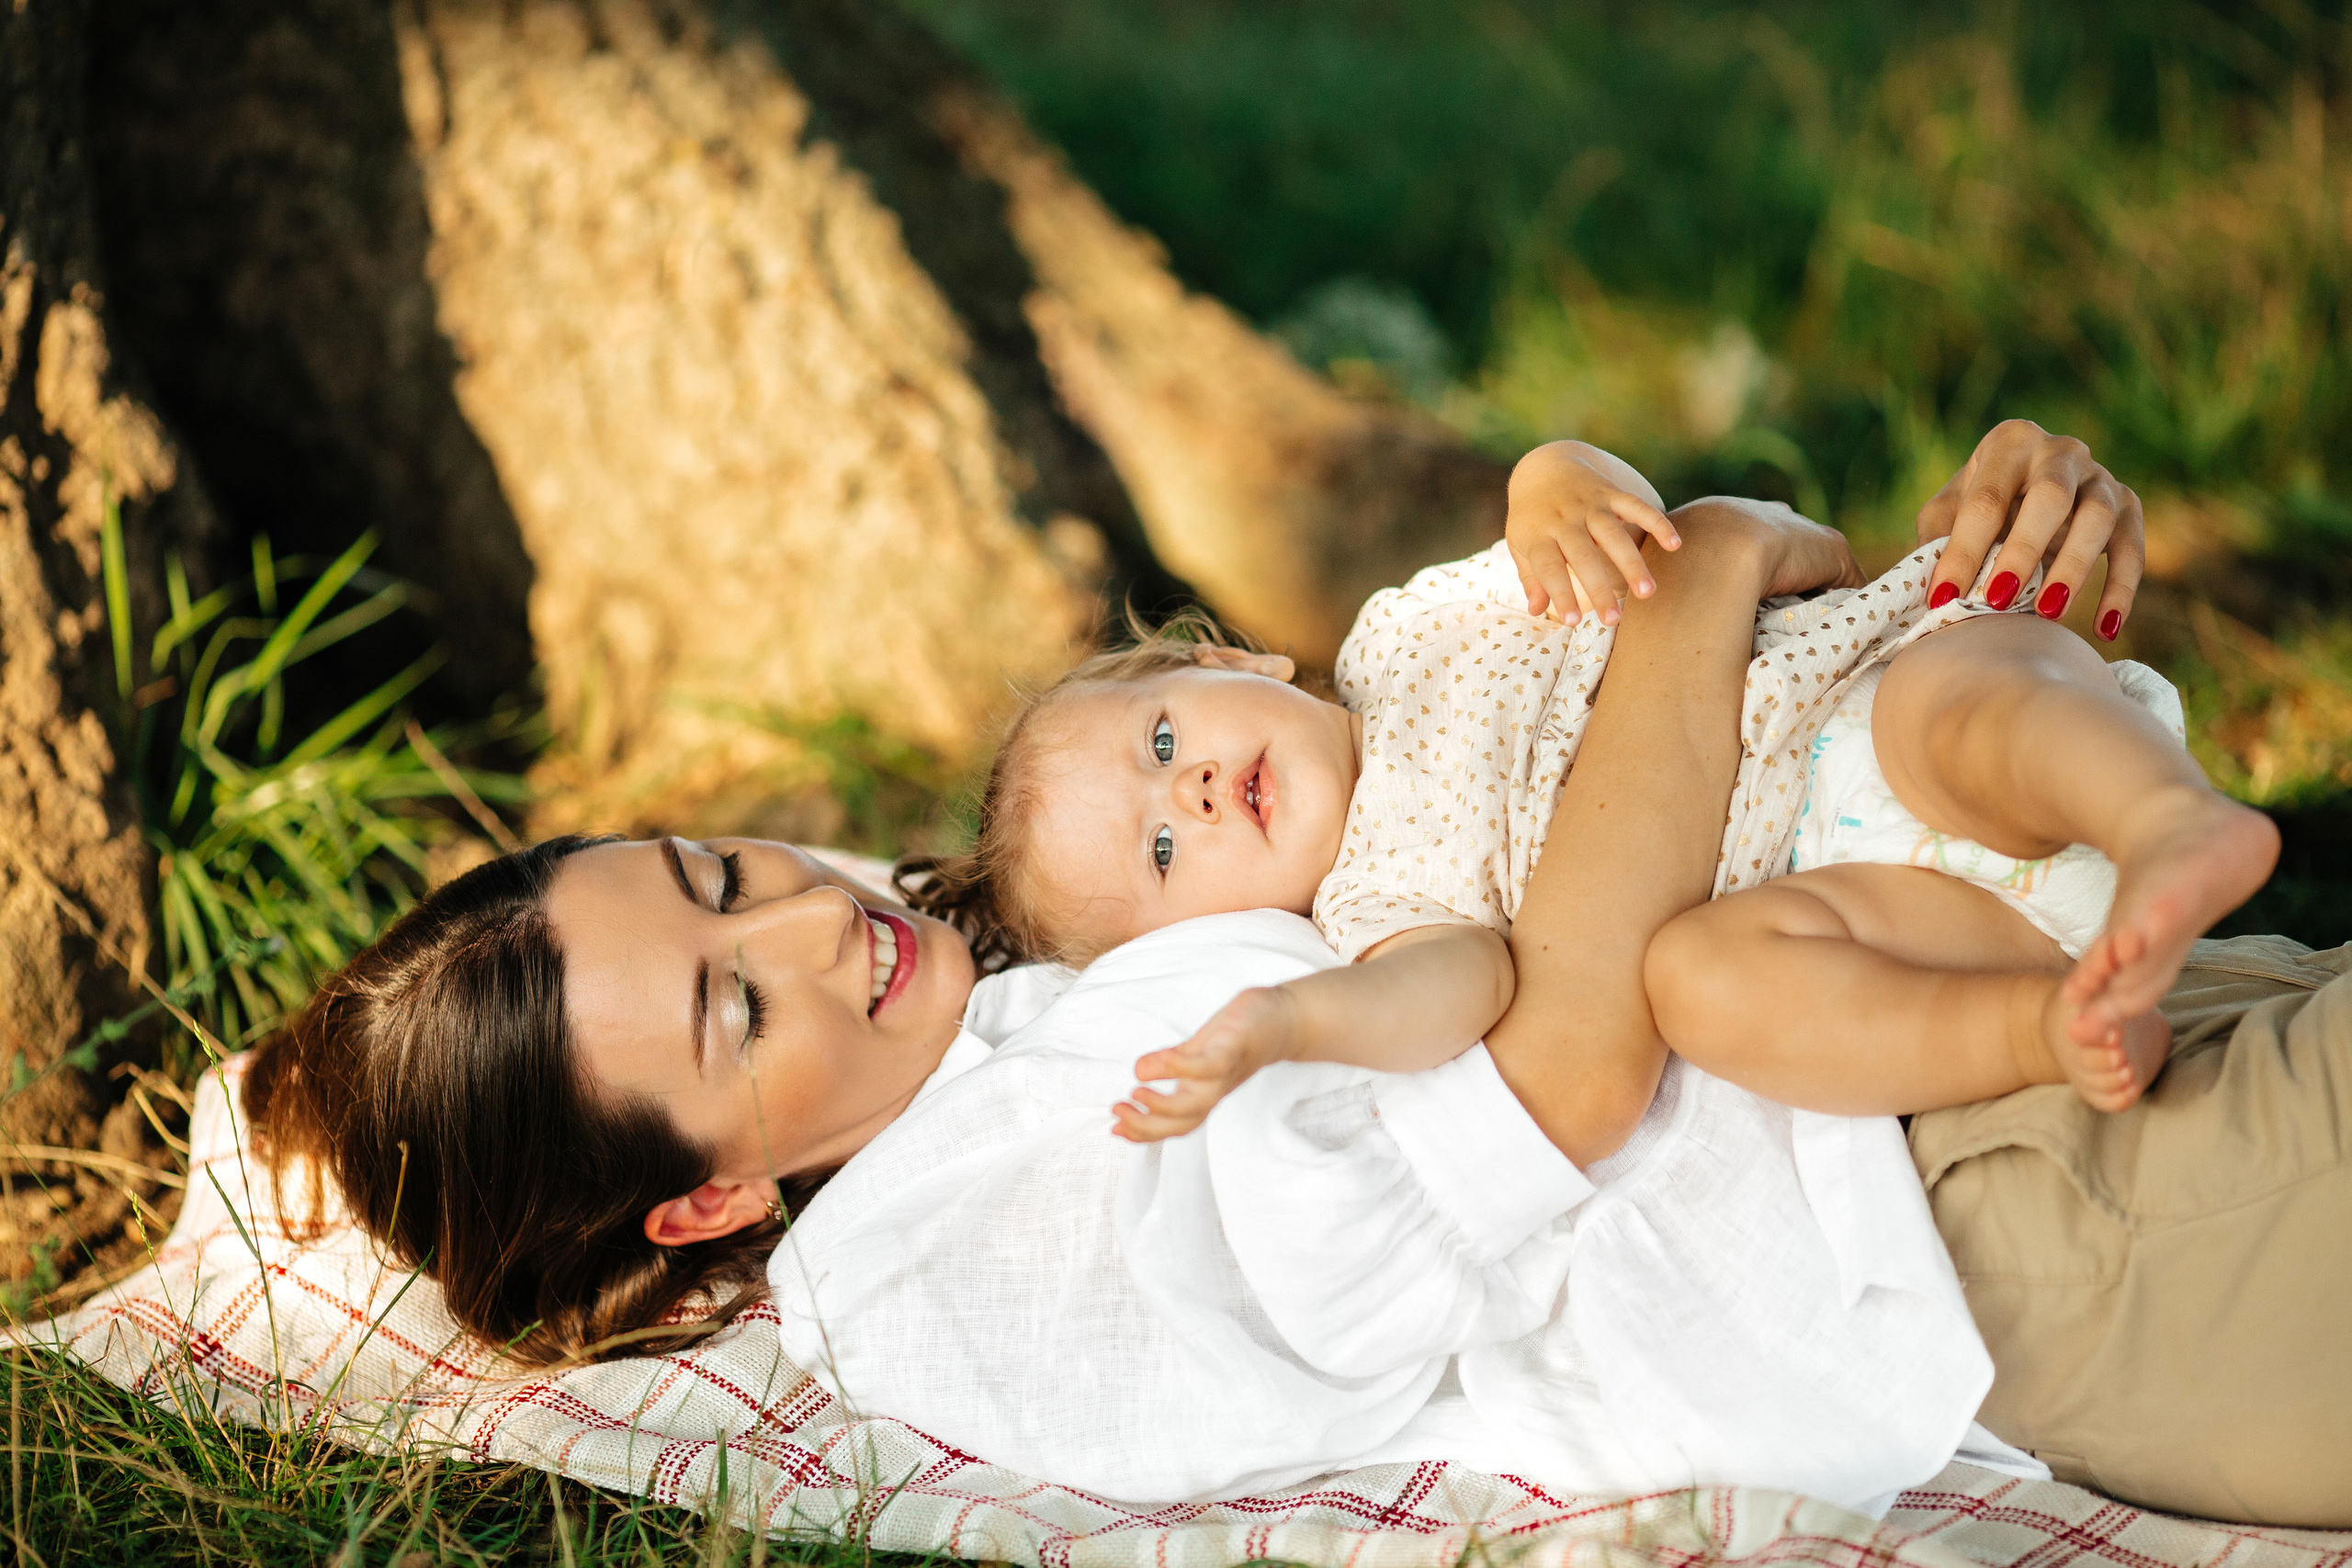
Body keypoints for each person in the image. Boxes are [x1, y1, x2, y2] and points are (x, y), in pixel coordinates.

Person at [240, 423, 2350, 1524]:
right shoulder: (956, 1246)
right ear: (702, 1199)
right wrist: (1702, 582)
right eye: (733, 1008)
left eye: (721, 873)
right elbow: (1559, 1079)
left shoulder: (1023, 954)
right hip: (1994, 1189)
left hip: (1991, 968)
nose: (812, 925)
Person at [894, 442, 2275, 1143]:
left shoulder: (1410, 627)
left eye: (1159, 743)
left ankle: (2166, 826)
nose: (1192, 793)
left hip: (1877, 695)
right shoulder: (1380, 900)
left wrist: (1555, 477)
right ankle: (2057, 1026)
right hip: (1890, 901)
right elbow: (1437, 995)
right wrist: (1280, 1025)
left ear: (1233, 658)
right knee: (1704, 980)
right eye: (1158, 850)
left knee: (1961, 706)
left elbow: (1609, 532)